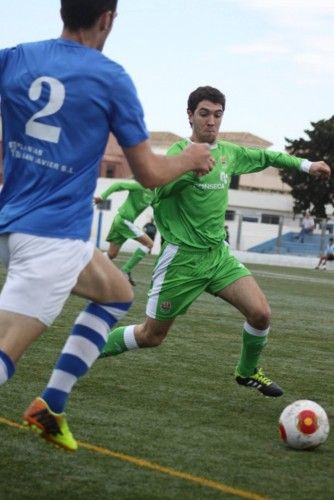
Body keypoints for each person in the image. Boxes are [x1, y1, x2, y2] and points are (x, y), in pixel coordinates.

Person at [0, 1, 213, 452]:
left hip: (18, 222)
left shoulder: (15, 57)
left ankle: (51, 405)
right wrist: (190, 157)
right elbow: (150, 174)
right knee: (3, 352)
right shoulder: (110, 78)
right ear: (107, 19)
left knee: (117, 293)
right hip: (50, 238)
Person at [100, 85, 331, 399]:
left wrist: (306, 165)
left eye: (218, 115)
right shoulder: (177, 154)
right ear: (190, 116)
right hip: (181, 261)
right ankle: (87, 350)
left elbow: (266, 156)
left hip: (218, 257)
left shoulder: (229, 154)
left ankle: (247, 371)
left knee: (261, 313)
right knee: (151, 335)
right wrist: (188, 171)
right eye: (204, 114)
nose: (212, 121)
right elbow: (157, 192)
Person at [94, 179, 155, 286]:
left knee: (111, 254)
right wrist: (102, 197)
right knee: (149, 244)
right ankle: (125, 270)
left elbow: (159, 209)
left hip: (125, 223)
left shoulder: (155, 195)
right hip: (123, 221)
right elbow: (118, 185)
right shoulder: (139, 186)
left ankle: (88, 265)